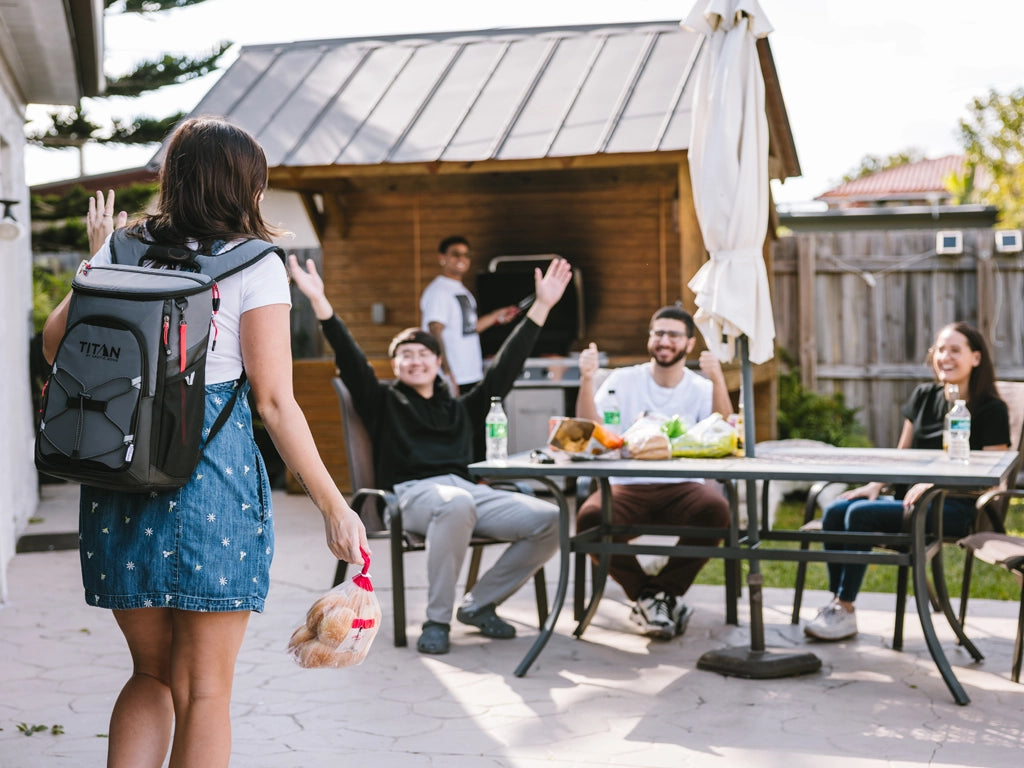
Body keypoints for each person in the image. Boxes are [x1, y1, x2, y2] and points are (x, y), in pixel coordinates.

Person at [41, 118, 368, 768]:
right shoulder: (256, 264)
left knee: (151, 675)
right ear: (247, 185)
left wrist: (98, 257)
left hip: (120, 476)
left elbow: (55, 347)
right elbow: (275, 402)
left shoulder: (124, 248)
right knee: (205, 691)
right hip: (210, 482)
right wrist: (335, 504)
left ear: (175, 177)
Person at [291, 253, 572, 655]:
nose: (415, 359)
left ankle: (479, 604)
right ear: (396, 365)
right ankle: (437, 620)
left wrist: (541, 306)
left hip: (464, 492)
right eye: (406, 354)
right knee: (456, 503)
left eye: (424, 353)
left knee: (550, 518)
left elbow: (503, 372)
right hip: (408, 495)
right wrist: (321, 302)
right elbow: (350, 360)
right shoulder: (383, 401)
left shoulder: (459, 408)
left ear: (439, 363)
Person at [805, 321, 1010, 641]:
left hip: (955, 506)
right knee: (836, 509)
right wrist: (875, 485)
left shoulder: (992, 409)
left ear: (976, 358)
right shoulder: (923, 396)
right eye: (940, 349)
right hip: (906, 501)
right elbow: (900, 456)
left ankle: (844, 606)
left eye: (955, 350)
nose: (945, 357)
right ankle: (839, 606)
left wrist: (937, 485)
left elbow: (992, 479)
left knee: (860, 516)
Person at [575, 304, 734, 640]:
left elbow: (725, 430)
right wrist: (587, 379)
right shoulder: (622, 380)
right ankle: (650, 596)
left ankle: (662, 592)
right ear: (650, 338)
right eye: (658, 333)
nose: (664, 340)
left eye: (674, 335)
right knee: (589, 521)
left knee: (717, 511)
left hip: (683, 488)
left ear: (689, 344)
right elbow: (591, 429)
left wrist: (718, 378)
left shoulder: (700, 387)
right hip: (627, 486)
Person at [420, 235, 520, 395]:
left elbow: (470, 328)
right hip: (453, 378)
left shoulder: (461, 291)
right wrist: (446, 374)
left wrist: (497, 315)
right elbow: (434, 332)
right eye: (455, 254)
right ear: (442, 258)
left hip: (470, 374)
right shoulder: (438, 291)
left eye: (466, 255)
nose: (462, 259)